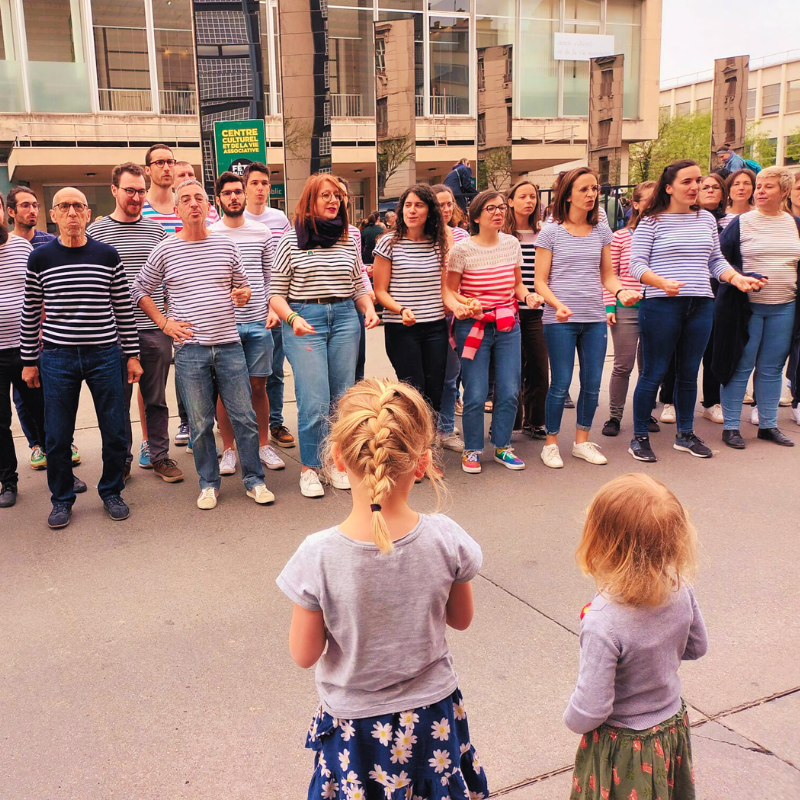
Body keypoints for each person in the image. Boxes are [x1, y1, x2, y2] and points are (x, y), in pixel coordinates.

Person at [276, 378, 487, 800]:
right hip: (432, 719)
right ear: (422, 462)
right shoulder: (446, 537)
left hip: (357, 730)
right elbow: (461, 620)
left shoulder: (317, 555)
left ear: (338, 457)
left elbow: (303, 655)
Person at [132, 179, 275, 510]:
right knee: (199, 423)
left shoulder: (226, 246)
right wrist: (164, 323)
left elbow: (244, 288)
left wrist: (244, 295)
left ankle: (254, 480)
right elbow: (139, 289)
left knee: (244, 418)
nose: (193, 203)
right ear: (178, 209)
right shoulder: (166, 248)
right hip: (190, 350)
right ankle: (208, 483)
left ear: (209, 207)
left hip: (228, 345)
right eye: (186, 199)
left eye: (199, 198)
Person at [564, 473, 707, 800]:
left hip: (625, 748)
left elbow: (590, 709)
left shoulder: (603, 621)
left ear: (602, 542)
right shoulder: (681, 589)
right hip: (670, 728)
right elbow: (697, 646)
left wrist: (570, 718)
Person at [627, 159, 766, 463]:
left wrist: (736, 278)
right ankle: (639, 437)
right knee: (653, 373)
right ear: (669, 187)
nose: (695, 187)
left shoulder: (705, 220)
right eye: (687, 181)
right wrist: (661, 282)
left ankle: (685, 435)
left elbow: (715, 261)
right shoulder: (651, 220)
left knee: (690, 374)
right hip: (660, 304)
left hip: (701, 303)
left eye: (698, 180)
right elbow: (635, 265)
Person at [20, 187, 142, 529]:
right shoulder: (39, 258)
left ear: (88, 214)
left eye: (78, 206)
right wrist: (30, 361)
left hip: (105, 355)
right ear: (54, 215)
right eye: (64, 207)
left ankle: (111, 491)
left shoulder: (107, 255)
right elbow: (31, 312)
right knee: (57, 435)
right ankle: (61, 499)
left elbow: (123, 309)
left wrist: (131, 355)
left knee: (115, 430)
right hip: (57, 358)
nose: (72, 213)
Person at [269, 173, 379, 498]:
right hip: (304, 319)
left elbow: (358, 283)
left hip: (346, 317)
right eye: (325, 196)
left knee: (342, 398)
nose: (334, 201)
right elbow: (274, 294)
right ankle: (309, 468)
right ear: (310, 201)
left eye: (337, 196)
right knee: (314, 399)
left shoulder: (348, 238)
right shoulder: (290, 240)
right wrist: (291, 318)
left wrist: (368, 308)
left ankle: (335, 462)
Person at [534, 167, 641, 470]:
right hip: (560, 320)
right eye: (584, 189)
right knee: (561, 382)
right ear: (568, 195)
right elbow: (539, 281)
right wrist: (557, 305)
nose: (592, 194)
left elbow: (608, 275)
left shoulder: (601, 231)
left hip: (594, 317)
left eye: (594, 188)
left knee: (592, 383)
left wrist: (622, 293)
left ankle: (582, 441)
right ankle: (551, 443)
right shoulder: (551, 231)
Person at [87, 163, 184, 485]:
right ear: (114, 190)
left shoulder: (157, 231)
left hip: (154, 330)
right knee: (117, 401)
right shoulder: (96, 233)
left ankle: (159, 456)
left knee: (155, 399)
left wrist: (169, 318)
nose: (136, 197)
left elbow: (168, 280)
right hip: (112, 334)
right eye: (130, 190)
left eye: (141, 191)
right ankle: (121, 460)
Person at [445, 189, 543, 474]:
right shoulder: (462, 250)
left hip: (507, 324)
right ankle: (472, 448)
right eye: (491, 208)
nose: (499, 212)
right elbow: (451, 290)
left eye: (501, 207)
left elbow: (517, 285)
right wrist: (467, 302)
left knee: (511, 391)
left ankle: (502, 446)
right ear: (476, 216)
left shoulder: (511, 243)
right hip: (473, 325)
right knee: (475, 394)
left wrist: (528, 298)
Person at [715, 166, 800, 449]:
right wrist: (743, 277)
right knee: (740, 365)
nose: (760, 191)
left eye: (768, 186)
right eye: (759, 186)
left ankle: (768, 425)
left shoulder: (795, 224)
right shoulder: (741, 223)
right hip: (746, 307)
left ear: (784, 191)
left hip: (785, 305)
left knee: (772, 368)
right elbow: (720, 261)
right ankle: (730, 427)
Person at [209, 171, 285, 474]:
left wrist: (273, 309)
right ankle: (229, 449)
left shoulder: (261, 232)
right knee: (225, 391)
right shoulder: (211, 233)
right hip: (224, 325)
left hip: (258, 322)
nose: (234, 197)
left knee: (258, 386)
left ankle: (263, 444)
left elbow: (271, 278)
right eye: (227, 193)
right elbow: (208, 280)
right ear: (218, 199)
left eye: (237, 192)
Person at [373, 184, 449, 417]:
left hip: (436, 326)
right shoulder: (388, 243)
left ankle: (428, 444)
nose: (412, 211)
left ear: (430, 211)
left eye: (419, 205)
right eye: (407, 205)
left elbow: (447, 287)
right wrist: (401, 309)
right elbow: (380, 291)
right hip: (401, 328)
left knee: (435, 390)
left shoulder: (440, 243)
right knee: (413, 391)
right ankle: (412, 444)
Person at [243, 161, 296, 450]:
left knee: (273, 371)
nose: (261, 188)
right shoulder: (234, 218)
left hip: (275, 308)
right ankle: (242, 426)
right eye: (255, 183)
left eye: (265, 183)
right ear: (245, 186)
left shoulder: (279, 220)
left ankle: (275, 422)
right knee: (237, 374)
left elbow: (284, 263)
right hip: (241, 313)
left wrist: (278, 307)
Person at [601, 180, 657, 438]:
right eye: (646, 199)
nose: (652, 203)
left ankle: (645, 413)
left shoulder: (664, 233)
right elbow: (609, 274)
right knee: (623, 365)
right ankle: (614, 415)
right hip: (626, 306)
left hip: (657, 307)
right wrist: (610, 305)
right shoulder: (621, 236)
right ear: (635, 203)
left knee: (650, 366)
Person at [0, 198, 46, 508]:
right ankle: (8, 482)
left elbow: (38, 292)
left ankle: (61, 472)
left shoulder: (22, 248)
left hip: (27, 348)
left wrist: (42, 331)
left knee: (43, 412)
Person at [504, 179, 549, 440]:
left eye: (533, 196)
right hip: (507, 309)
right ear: (510, 201)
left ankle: (536, 420)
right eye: (522, 196)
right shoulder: (503, 235)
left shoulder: (545, 233)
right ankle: (508, 422)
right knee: (509, 370)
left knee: (539, 367)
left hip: (537, 311)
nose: (529, 201)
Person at [693, 173, 736, 426]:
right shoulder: (686, 218)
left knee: (714, 349)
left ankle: (712, 402)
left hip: (723, 287)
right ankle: (670, 400)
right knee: (682, 349)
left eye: (714, 187)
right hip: (693, 286)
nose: (709, 190)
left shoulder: (734, 221)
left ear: (723, 193)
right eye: (704, 187)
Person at [433, 183, 470, 452]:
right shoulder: (420, 236)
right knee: (426, 377)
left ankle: (445, 428)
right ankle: (425, 429)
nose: (445, 209)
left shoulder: (461, 235)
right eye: (439, 204)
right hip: (425, 313)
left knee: (450, 375)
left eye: (449, 204)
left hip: (455, 312)